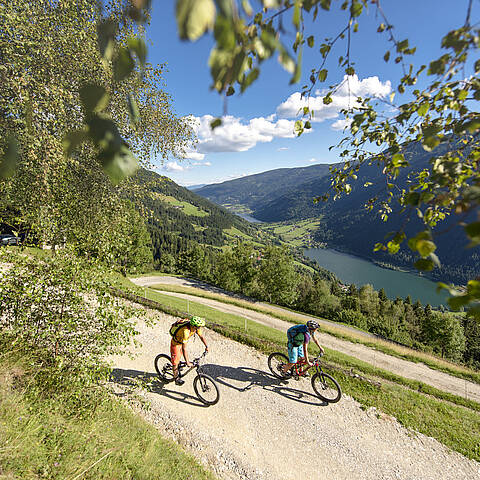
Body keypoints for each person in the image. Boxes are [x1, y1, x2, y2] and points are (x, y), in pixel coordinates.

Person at [170, 315, 209, 385]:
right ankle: (176, 378)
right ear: (194, 326)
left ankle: (178, 366)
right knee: (175, 362)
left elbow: (201, 337)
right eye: (199, 326)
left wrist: (206, 346)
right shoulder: (186, 332)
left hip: (181, 341)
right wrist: (187, 362)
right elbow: (184, 348)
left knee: (180, 357)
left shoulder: (196, 328)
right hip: (176, 343)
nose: (200, 328)